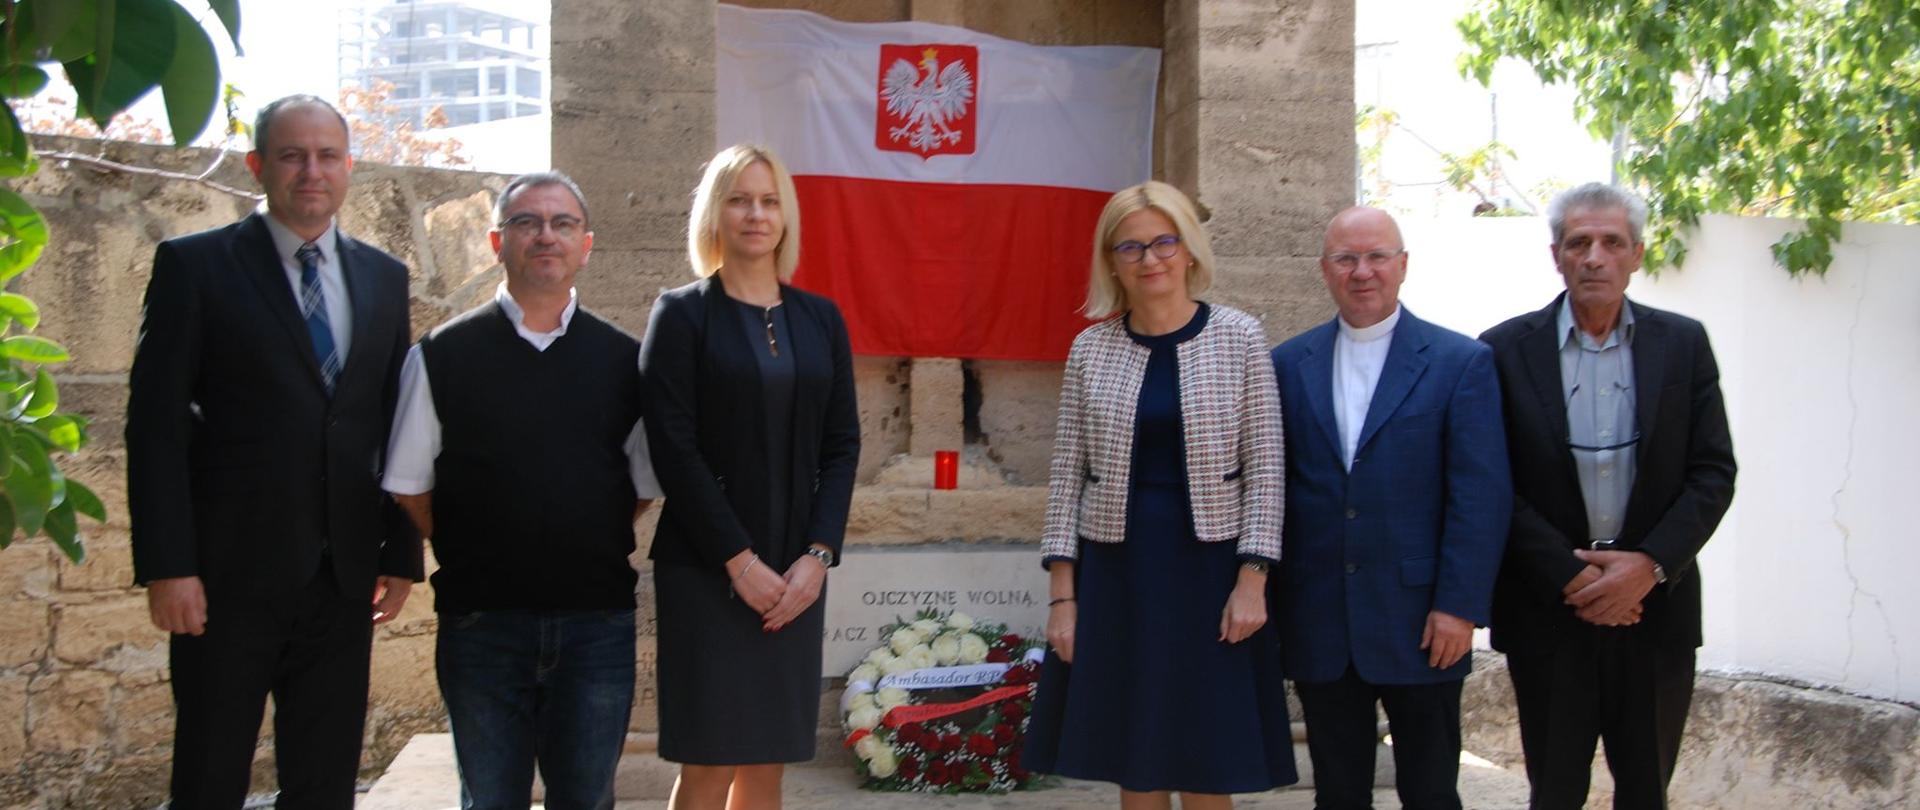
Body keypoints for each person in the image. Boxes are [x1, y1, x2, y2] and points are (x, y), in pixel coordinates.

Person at [126, 94, 421, 809]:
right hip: (225, 583)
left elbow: (398, 422)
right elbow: (155, 427)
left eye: (326, 156)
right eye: (292, 155)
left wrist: (399, 554)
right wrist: (170, 568)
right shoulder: (195, 269)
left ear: (348, 167)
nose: (310, 171)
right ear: (260, 166)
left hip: (342, 581)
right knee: (209, 774)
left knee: (324, 783)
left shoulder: (385, 278)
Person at [381, 171, 658, 809]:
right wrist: (478, 542)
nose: (545, 236)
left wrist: (572, 532)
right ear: (495, 240)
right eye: (527, 222)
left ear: (586, 245)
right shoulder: (442, 355)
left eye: (562, 223)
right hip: (483, 626)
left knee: (587, 800)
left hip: (596, 627)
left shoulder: (625, 362)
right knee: (490, 800)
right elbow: (410, 485)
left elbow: (640, 487)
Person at [1022, 180, 1296, 809]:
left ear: (1189, 249)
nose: (1151, 259)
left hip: (1210, 571)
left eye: (1164, 241)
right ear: (1111, 261)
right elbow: (1067, 476)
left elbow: (1267, 469)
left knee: (1206, 756)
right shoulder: (1091, 349)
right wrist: (1063, 597)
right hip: (1120, 573)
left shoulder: (1239, 336)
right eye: (1131, 247)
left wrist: (1252, 581)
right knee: (1136, 757)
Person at [1479, 183, 1736, 810]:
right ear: (1556, 255)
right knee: (1555, 790)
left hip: (1655, 612)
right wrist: (1572, 577)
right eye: (1579, 243)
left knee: (1646, 790)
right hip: (1548, 612)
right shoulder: (1501, 351)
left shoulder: (1683, 344)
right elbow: (1490, 481)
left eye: (1611, 242)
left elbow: (1713, 472)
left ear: (1637, 255)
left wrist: (1645, 568)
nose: (1594, 256)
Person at [639, 144, 860, 810]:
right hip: (708, 569)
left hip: (797, 572)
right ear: (715, 213)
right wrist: (738, 562)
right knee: (710, 762)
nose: (755, 214)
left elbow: (842, 445)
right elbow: (672, 448)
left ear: (785, 215)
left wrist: (817, 558)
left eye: (768, 201)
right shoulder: (681, 314)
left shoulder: (820, 318)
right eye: (739, 199)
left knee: (767, 762)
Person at [1269, 207, 1512, 810]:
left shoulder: (1460, 363)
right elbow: (1276, 490)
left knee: (1431, 792)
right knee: (1338, 793)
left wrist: (1458, 606)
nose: (1362, 272)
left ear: (1402, 266)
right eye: (1346, 259)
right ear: (1325, 270)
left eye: (1377, 256)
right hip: (1323, 620)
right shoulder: (1287, 365)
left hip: (1424, 622)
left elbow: (1480, 496)